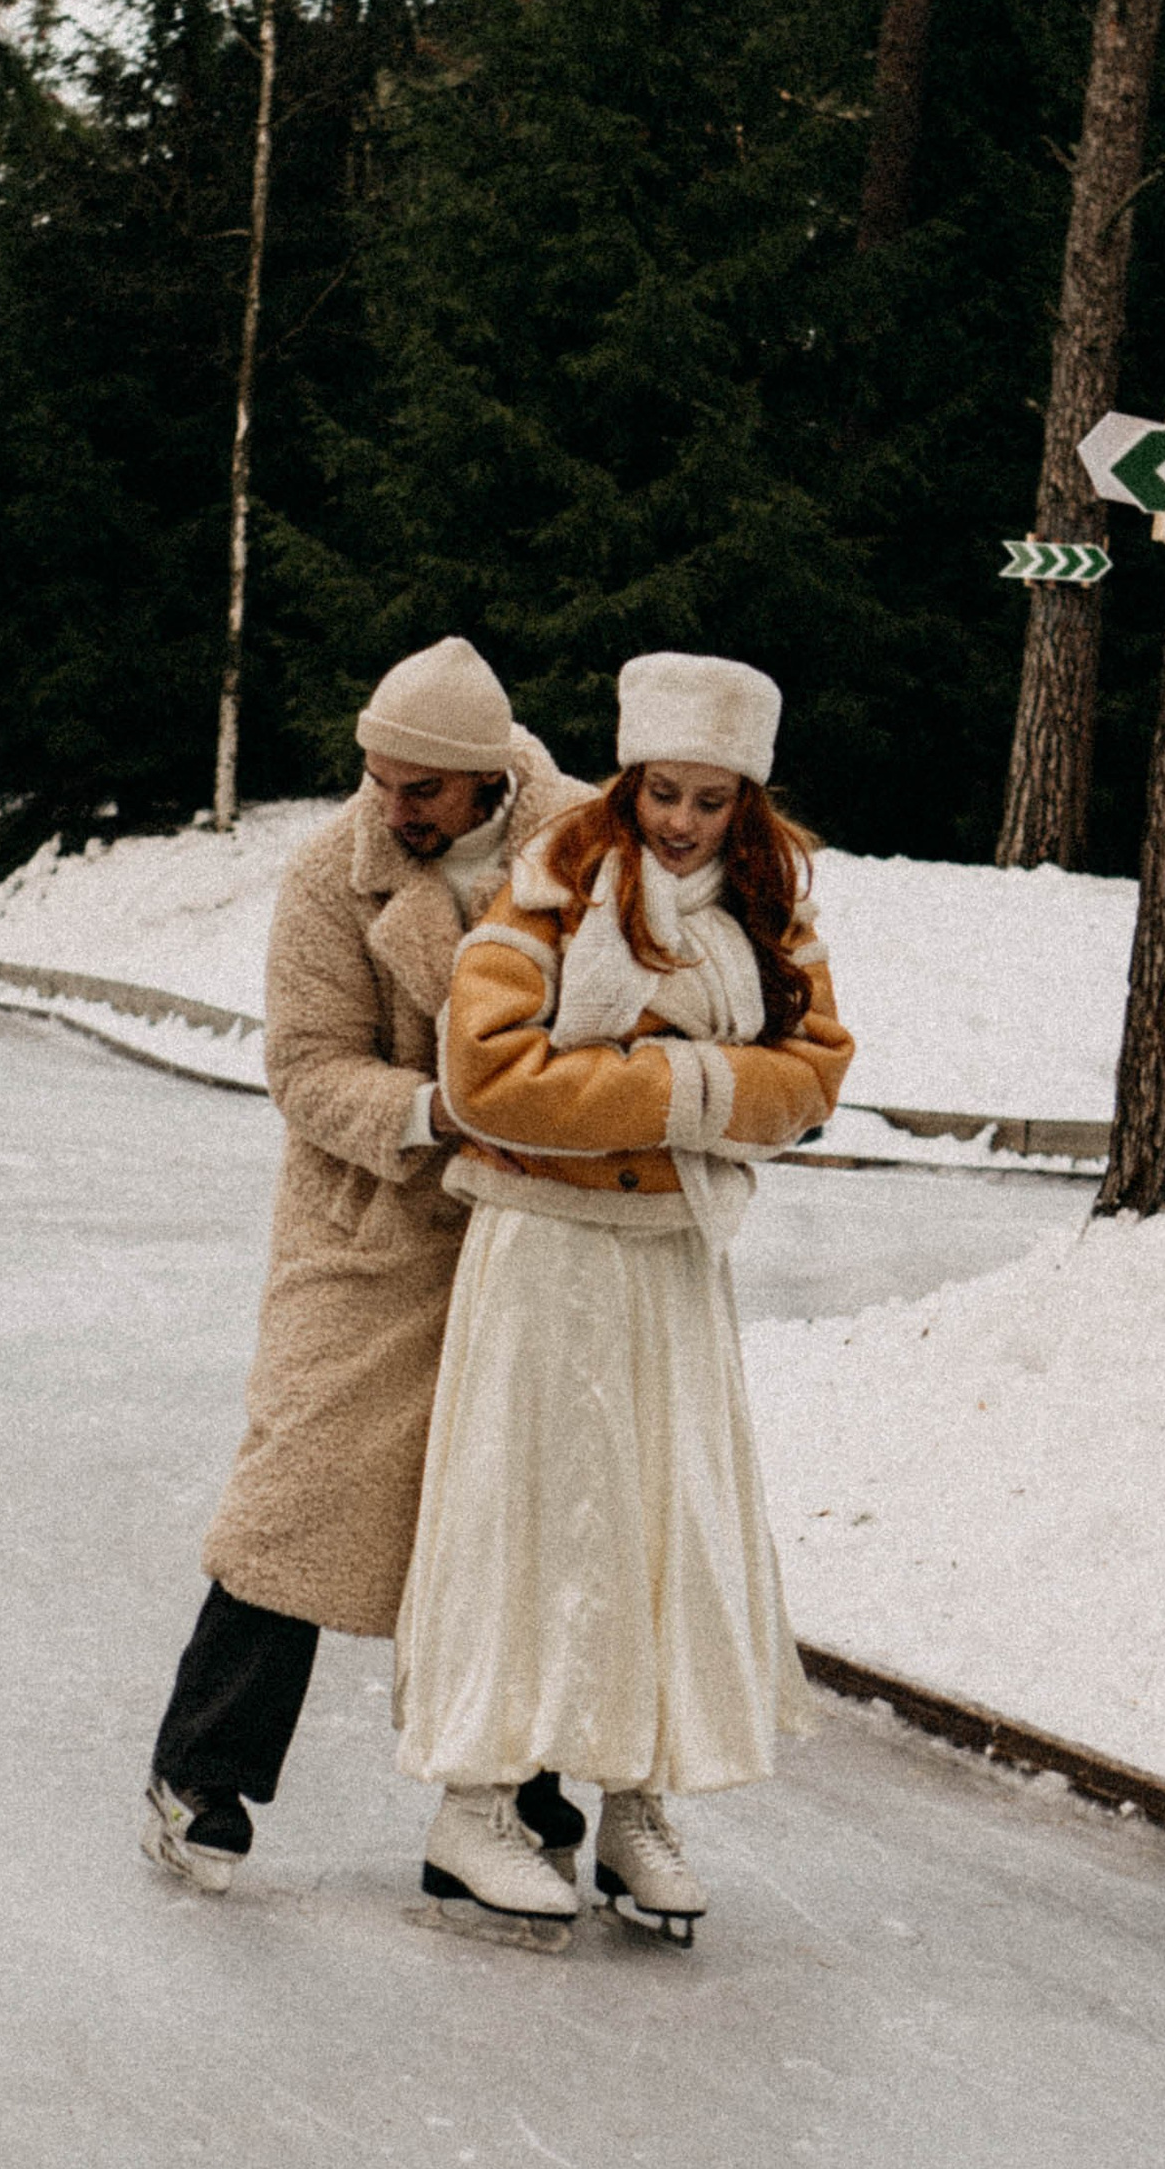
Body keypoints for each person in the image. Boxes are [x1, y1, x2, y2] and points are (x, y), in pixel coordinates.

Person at [395, 650, 853, 1948]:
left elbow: (812, 1070)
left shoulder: (771, 909)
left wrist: (671, 1080)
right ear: (635, 774)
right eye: (665, 791)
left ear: (744, 799)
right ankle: (472, 1807)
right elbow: (486, 1076)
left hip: (669, 1254)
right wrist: (690, 1088)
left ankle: (638, 1805)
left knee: (664, 1516)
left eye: (712, 800)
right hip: (543, 1250)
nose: (682, 821)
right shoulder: (553, 883)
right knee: (522, 1509)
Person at [142, 638, 586, 1891]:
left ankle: (521, 1784)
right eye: (378, 780)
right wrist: (446, 1110)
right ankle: (199, 1772)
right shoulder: (329, 877)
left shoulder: (585, 851)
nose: (392, 810)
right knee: (304, 1491)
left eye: (422, 791)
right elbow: (307, 1066)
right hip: (373, 1227)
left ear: (489, 778)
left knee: (526, 1507)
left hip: (541, 1233)